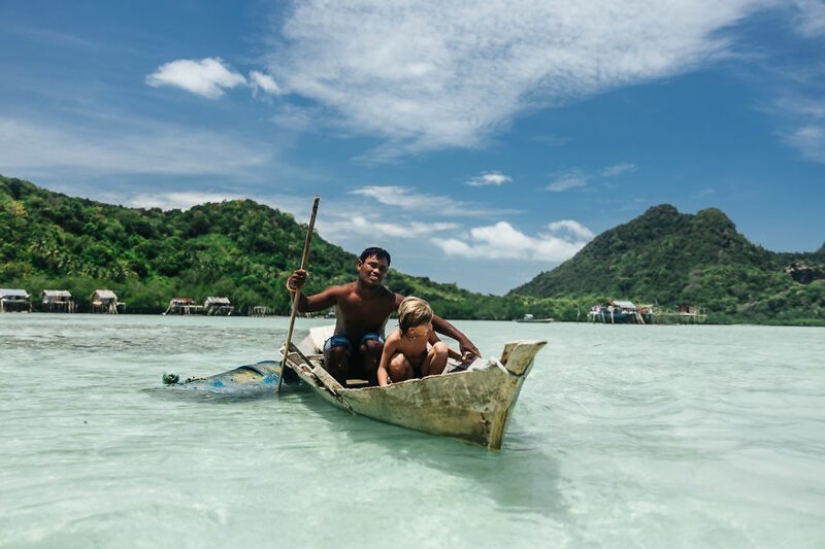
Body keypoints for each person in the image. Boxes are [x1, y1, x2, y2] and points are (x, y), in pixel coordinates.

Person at [286, 247, 479, 387]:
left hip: (371, 359)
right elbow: (304, 306)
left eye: (382, 268)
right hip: (341, 357)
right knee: (337, 347)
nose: (377, 271)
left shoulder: (390, 299)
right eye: (372, 265)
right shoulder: (340, 293)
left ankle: (374, 390)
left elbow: (428, 318)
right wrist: (294, 287)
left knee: (373, 343)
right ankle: (340, 392)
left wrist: (462, 339)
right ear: (359, 265)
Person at [376, 296, 462, 387]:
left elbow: (439, 347)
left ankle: (431, 384)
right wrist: (384, 386)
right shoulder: (394, 339)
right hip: (404, 374)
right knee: (397, 361)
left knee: (441, 347)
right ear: (412, 330)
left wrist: (459, 356)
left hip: (423, 370)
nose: (430, 326)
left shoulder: (428, 331)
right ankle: (405, 388)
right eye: (427, 324)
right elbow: (382, 368)